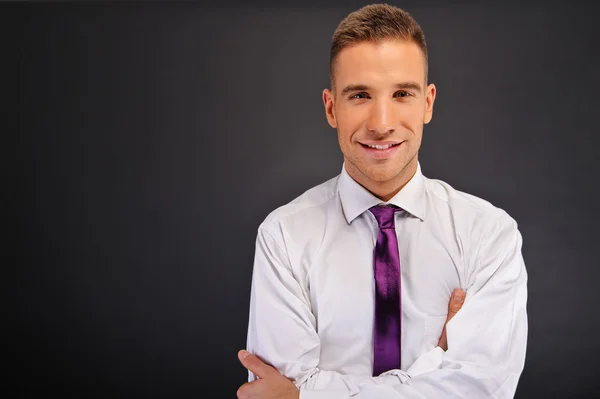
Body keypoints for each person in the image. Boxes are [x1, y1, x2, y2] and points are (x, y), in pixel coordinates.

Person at [237, 3, 528, 398]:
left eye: (402, 93)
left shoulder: (489, 236)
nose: (381, 123)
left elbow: (481, 390)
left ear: (427, 103)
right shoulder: (283, 237)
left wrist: (305, 394)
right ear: (331, 107)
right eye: (359, 95)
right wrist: (438, 361)